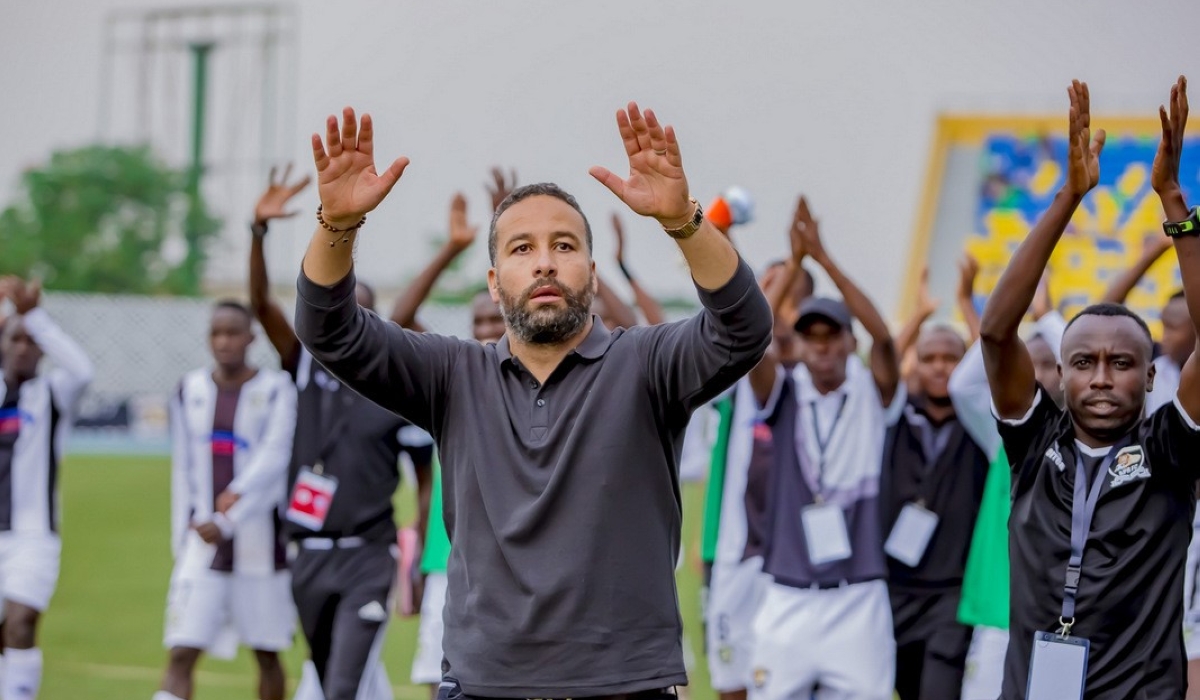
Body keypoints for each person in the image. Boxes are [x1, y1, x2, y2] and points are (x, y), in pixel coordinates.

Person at [296, 103, 771, 698]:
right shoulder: (453, 374)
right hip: (482, 686)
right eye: (521, 249)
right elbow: (329, 332)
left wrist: (684, 222)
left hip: (626, 687)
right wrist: (337, 224)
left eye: (564, 245)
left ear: (592, 274)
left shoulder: (646, 366)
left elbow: (743, 329)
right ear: (495, 282)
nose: (544, 260)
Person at [982, 77, 1200, 699]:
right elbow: (997, 332)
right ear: (1063, 370)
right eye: (1084, 362)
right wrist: (1068, 198)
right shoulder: (1034, 442)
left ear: (1153, 374)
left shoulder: (1169, 449)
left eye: (1121, 363)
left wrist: (1174, 203)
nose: (1101, 377)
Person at [247, 168, 430, 700]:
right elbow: (261, 304)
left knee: (344, 687)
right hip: (307, 554)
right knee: (329, 683)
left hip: (367, 557)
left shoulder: (395, 389)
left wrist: (414, 543)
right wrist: (257, 233)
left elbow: (423, 478)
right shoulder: (303, 367)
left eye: (361, 310)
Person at [747, 197, 902, 700]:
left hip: (857, 597)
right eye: (809, 337)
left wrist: (824, 259)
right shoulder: (786, 390)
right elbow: (750, 338)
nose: (820, 347)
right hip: (787, 595)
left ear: (846, 341)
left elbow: (883, 338)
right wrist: (794, 264)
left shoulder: (871, 391)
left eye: (831, 336)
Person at [386, 185, 504, 697]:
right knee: (440, 686)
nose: (484, 329)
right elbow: (398, 320)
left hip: (514, 564)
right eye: (477, 321)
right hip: (447, 558)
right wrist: (452, 250)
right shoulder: (455, 380)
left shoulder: (550, 383)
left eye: (494, 319)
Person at [155, 301, 297, 700]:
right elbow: (182, 468)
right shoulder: (190, 390)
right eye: (216, 333)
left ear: (251, 337)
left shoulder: (275, 390)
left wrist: (229, 518)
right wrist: (182, 537)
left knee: (267, 654)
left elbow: (275, 459)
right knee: (181, 650)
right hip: (201, 544)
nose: (224, 341)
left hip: (260, 548)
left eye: (233, 333)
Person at [700, 197, 811, 700]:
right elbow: (753, 332)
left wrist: (798, 267)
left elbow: (776, 333)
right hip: (736, 543)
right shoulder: (744, 365)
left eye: (784, 294)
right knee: (731, 675)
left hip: (795, 549)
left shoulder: (816, 369)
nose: (772, 301)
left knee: (786, 677)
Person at [948, 262, 1066, 700]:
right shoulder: (1001, 435)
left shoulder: (1092, 439)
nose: (1039, 377)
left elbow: (1090, 354)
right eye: (1029, 366)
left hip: (1063, 624)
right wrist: (1011, 321)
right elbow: (963, 385)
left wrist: (1049, 318)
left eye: (1052, 366)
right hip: (999, 615)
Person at [880, 321, 986, 700]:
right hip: (893, 587)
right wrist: (917, 318)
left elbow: (996, 366)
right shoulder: (890, 418)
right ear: (914, 364)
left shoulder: (982, 422)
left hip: (952, 591)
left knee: (940, 690)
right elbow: (880, 362)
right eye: (929, 358)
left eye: (951, 358)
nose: (940, 367)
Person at [0, 276, 92, 700]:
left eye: (30, 342)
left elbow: (81, 368)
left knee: (20, 622)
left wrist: (34, 317)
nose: (22, 348)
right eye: (14, 340)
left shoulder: (51, 394)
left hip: (33, 536)